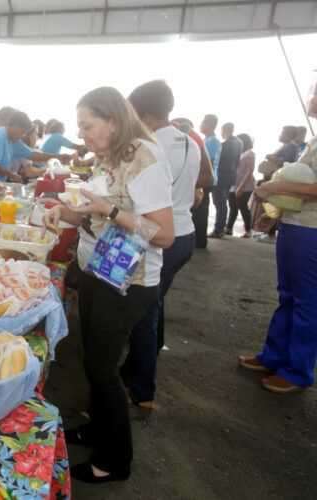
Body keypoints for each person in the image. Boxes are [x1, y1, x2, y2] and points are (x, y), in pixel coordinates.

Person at [43, 86, 174, 483]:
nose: (81, 133)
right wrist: (63, 212)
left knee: (102, 367)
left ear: (114, 122)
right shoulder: (109, 157)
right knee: (92, 361)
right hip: (99, 271)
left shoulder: (145, 158)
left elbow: (164, 234)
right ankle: (98, 429)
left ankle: (116, 460)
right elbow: (96, 215)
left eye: (87, 125)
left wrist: (108, 209)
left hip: (130, 281)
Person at [121, 80, 199, 411]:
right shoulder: (190, 140)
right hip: (187, 233)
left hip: (161, 239)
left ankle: (143, 390)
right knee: (154, 306)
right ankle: (137, 368)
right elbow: (204, 181)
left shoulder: (151, 146)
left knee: (143, 315)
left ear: (145, 116)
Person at [239, 91, 317, 394]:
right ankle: (274, 355)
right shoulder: (312, 140)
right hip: (294, 225)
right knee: (288, 295)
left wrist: (273, 187)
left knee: (308, 302)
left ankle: (298, 371)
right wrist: (275, 214)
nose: (312, 96)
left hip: (311, 230)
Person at [0, 111, 70, 204]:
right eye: (22, 132)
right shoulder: (0, 136)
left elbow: (32, 154)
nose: (23, 136)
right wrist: (12, 174)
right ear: (15, 126)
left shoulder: (14, 140)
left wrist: (58, 157)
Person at [210, 122, 243, 238]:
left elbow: (216, 161)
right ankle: (221, 228)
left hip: (221, 176)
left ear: (223, 130)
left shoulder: (224, 145)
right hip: (231, 176)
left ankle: (218, 230)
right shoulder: (239, 143)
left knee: (219, 203)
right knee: (223, 203)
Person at [192, 114, 221, 248]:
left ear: (210, 124)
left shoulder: (212, 141)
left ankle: (200, 240)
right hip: (201, 178)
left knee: (201, 210)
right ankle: (198, 238)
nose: (200, 125)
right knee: (200, 210)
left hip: (204, 179)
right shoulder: (206, 140)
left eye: (203, 123)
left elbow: (209, 162)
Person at [226, 133, 256, 237]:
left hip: (245, 185)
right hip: (234, 184)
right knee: (233, 207)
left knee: (242, 206)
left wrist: (241, 187)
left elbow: (250, 170)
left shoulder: (249, 154)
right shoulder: (239, 153)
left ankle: (248, 230)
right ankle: (229, 228)